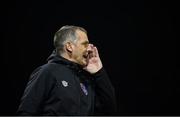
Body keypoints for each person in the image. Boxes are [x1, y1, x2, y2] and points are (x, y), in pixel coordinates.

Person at [17, 25, 116, 115]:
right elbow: (26, 112)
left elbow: (109, 111)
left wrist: (99, 72)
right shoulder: (48, 72)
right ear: (69, 47)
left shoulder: (86, 78)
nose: (89, 49)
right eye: (85, 44)